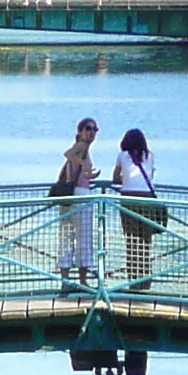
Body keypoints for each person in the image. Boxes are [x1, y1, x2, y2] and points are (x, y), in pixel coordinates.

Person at [110, 128, 167, 288]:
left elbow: (115, 178)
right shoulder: (150, 156)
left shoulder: (123, 156)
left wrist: (125, 180)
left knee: (132, 240)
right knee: (146, 241)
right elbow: (150, 177)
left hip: (129, 199)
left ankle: (134, 280)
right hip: (148, 199)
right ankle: (145, 280)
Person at [50, 118, 100, 282]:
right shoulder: (81, 145)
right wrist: (83, 165)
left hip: (70, 195)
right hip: (80, 196)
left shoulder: (83, 148)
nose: (91, 132)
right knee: (84, 237)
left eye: (95, 129)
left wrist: (88, 174)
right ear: (80, 131)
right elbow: (68, 154)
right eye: (88, 128)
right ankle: (83, 280)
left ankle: (65, 280)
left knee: (66, 236)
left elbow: (74, 169)